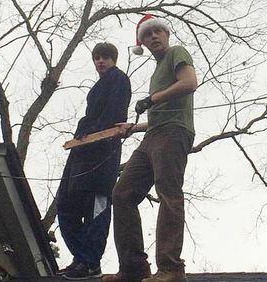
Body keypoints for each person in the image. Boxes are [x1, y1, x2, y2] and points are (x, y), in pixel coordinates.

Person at [103, 14, 197, 282]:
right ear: (141, 42)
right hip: (153, 135)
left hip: (174, 133)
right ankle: (133, 268)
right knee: (122, 194)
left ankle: (171, 268)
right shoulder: (157, 70)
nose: (154, 36)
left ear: (166, 35)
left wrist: (152, 98)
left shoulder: (176, 53)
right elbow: (159, 113)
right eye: (147, 34)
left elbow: (189, 83)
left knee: (168, 191)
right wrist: (133, 127)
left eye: (158, 31)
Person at [57, 42, 131, 280]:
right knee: (65, 205)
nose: (101, 61)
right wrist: (83, 130)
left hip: (102, 154)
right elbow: (91, 117)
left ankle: (90, 262)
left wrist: (93, 132)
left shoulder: (118, 79)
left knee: (95, 210)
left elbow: (113, 116)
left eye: (106, 57)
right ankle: (80, 257)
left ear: (114, 60)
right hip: (81, 155)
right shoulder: (95, 88)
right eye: (97, 58)